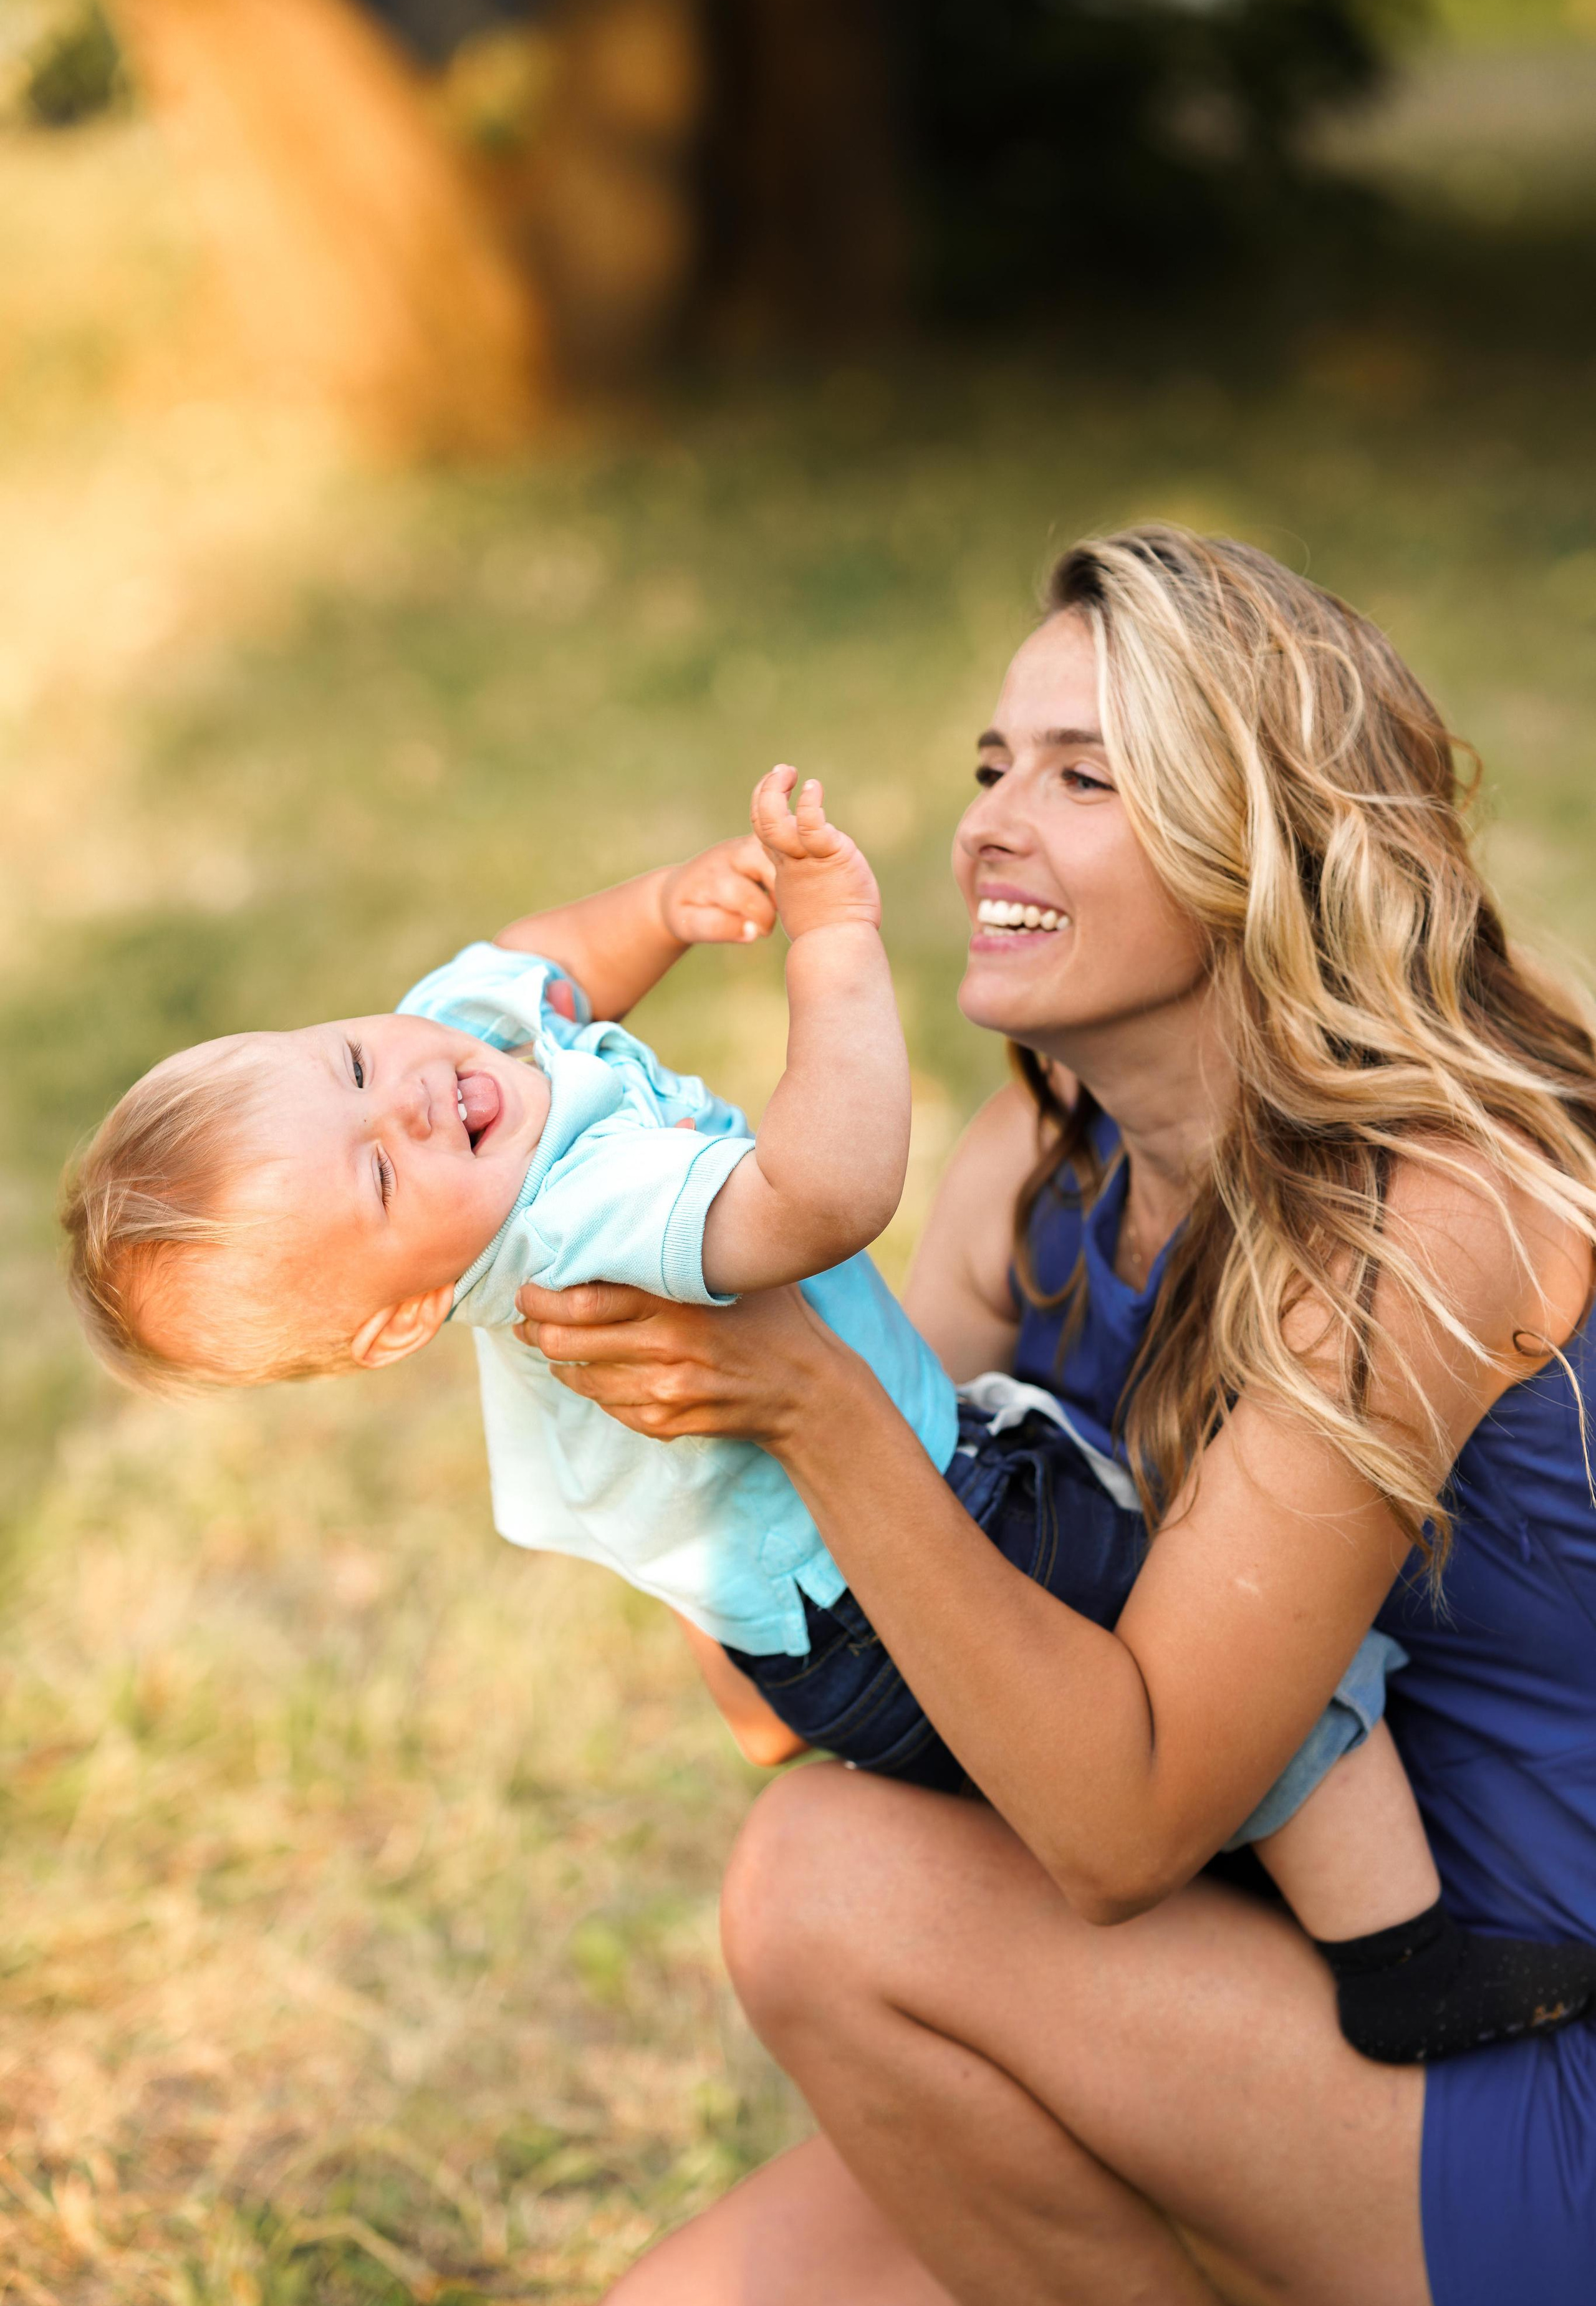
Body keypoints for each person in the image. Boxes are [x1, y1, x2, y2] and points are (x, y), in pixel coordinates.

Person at [60, 716, 1589, 2077]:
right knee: (1243, 1702)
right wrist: (829, 946)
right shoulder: (577, 1212)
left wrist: (658, 908)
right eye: (380, 1174)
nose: (402, 1091)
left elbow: (529, 963)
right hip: (861, 1594)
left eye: (342, 1061)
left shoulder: (455, 1060)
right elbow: (824, 1191)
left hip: (796, 1596)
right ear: (402, 1318)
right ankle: (1403, 1965)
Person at [509, 527, 1596, 2306]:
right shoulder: (1043, 1167)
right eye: (996, 766)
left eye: (1088, 775)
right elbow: (773, 1689)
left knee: (826, 1885)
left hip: (1531, 2054)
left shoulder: (1430, 1213)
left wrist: (812, 1407)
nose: (997, 820)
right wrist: (636, 1331)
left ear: (1275, 842)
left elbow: (1119, 1823)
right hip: (1285, 1978)